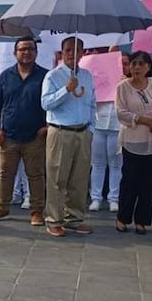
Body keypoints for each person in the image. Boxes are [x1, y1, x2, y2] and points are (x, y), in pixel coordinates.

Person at [0, 37, 47, 226]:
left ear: (36, 52)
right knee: (6, 174)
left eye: (30, 49)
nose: (26, 52)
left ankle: (37, 211)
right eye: (22, 49)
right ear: (15, 53)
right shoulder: (6, 76)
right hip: (8, 135)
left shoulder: (45, 75)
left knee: (36, 175)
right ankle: (2, 207)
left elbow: (51, 103)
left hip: (35, 135)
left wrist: (47, 126)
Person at [41, 37, 96, 238]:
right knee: (57, 178)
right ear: (61, 53)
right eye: (68, 50)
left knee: (79, 178)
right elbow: (46, 104)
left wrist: (92, 129)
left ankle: (74, 218)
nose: (72, 54)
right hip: (60, 132)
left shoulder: (88, 76)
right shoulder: (53, 76)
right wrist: (66, 90)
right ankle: (54, 219)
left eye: (76, 50)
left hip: (82, 132)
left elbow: (92, 103)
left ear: (83, 53)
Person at [114, 51, 152, 234]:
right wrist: (144, 120)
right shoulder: (123, 87)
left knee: (147, 182)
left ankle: (142, 220)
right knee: (130, 181)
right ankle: (123, 217)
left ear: (149, 67)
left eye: (141, 64)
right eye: (133, 64)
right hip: (132, 141)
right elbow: (121, 113)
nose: (136, 67)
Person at [88, 51, 126, 213]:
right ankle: (96, 197)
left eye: (125, 63)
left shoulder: (128, 83)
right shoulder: (97, 77)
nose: (122, 66)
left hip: (117, 127)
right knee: (98, 164)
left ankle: (114, 198)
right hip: (98, 124)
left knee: (116, 164)